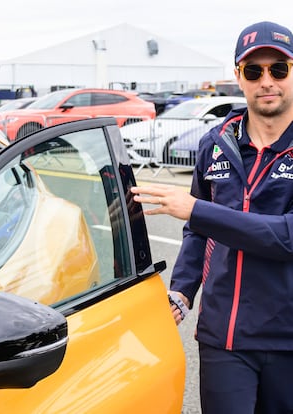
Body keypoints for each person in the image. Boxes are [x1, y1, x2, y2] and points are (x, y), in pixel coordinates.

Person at [131, 21, 293, 414]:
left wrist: (199, 211)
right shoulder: (216, 143)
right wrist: (182, 290)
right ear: (238, 77)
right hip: (224, 337)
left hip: (287, 339)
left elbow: (287, 237)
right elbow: (196, 230)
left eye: (279, 69)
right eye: (253, 71)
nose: (266, 81)